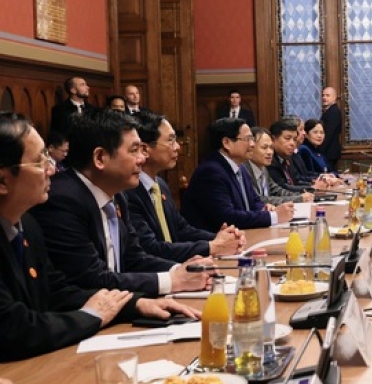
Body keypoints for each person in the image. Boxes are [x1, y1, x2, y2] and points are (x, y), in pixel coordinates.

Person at [0, 112, 199, 362]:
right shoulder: (61, 200)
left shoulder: (27, 224)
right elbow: (12, 327)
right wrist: (91, 316)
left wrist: (134, 304)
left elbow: (57, 291)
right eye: (40, 161)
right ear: (3, 181)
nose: (51, 169)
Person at [28, 109, 213, 297]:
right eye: (134, 150)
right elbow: (91, 279)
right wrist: (172, 281)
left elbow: (134, 259)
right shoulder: (63, 201)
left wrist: (181, 270)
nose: (142, 158)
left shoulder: (118, 195)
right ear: (100, 158)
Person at [124, 111, 245, 263]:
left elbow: (181, 229)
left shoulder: (160, 184)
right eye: (170, 141)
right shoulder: (128, 191)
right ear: (145, 149)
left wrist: (221, 238)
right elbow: (151, 248)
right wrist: (211, 246)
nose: (177, 147)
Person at [182, 117, 295, 230]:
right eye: (248, 139)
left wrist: (263, 208)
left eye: (252, 139)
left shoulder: (240, 167)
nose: (252, 144)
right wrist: (273, 216)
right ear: (226, 143)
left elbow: (254, 201)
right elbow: (227, 217)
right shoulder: (211, 172)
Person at [244, 127, 313, 205]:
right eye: (264, 147)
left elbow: (277, 191)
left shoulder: (263, 168)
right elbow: (259, 199)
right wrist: (298, 198)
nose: (270, 152)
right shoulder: (244, 171)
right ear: (250, 148)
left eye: (271, 148)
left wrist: (301, 196)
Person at [319, 87, 343, 171]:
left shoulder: (333, 111)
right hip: (329, 150)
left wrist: (319, 150)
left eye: (327, 95)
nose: (324, 97)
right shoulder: (330, 110)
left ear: (334, 97)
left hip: (329, 151)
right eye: (323, 95)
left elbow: (329, 133)